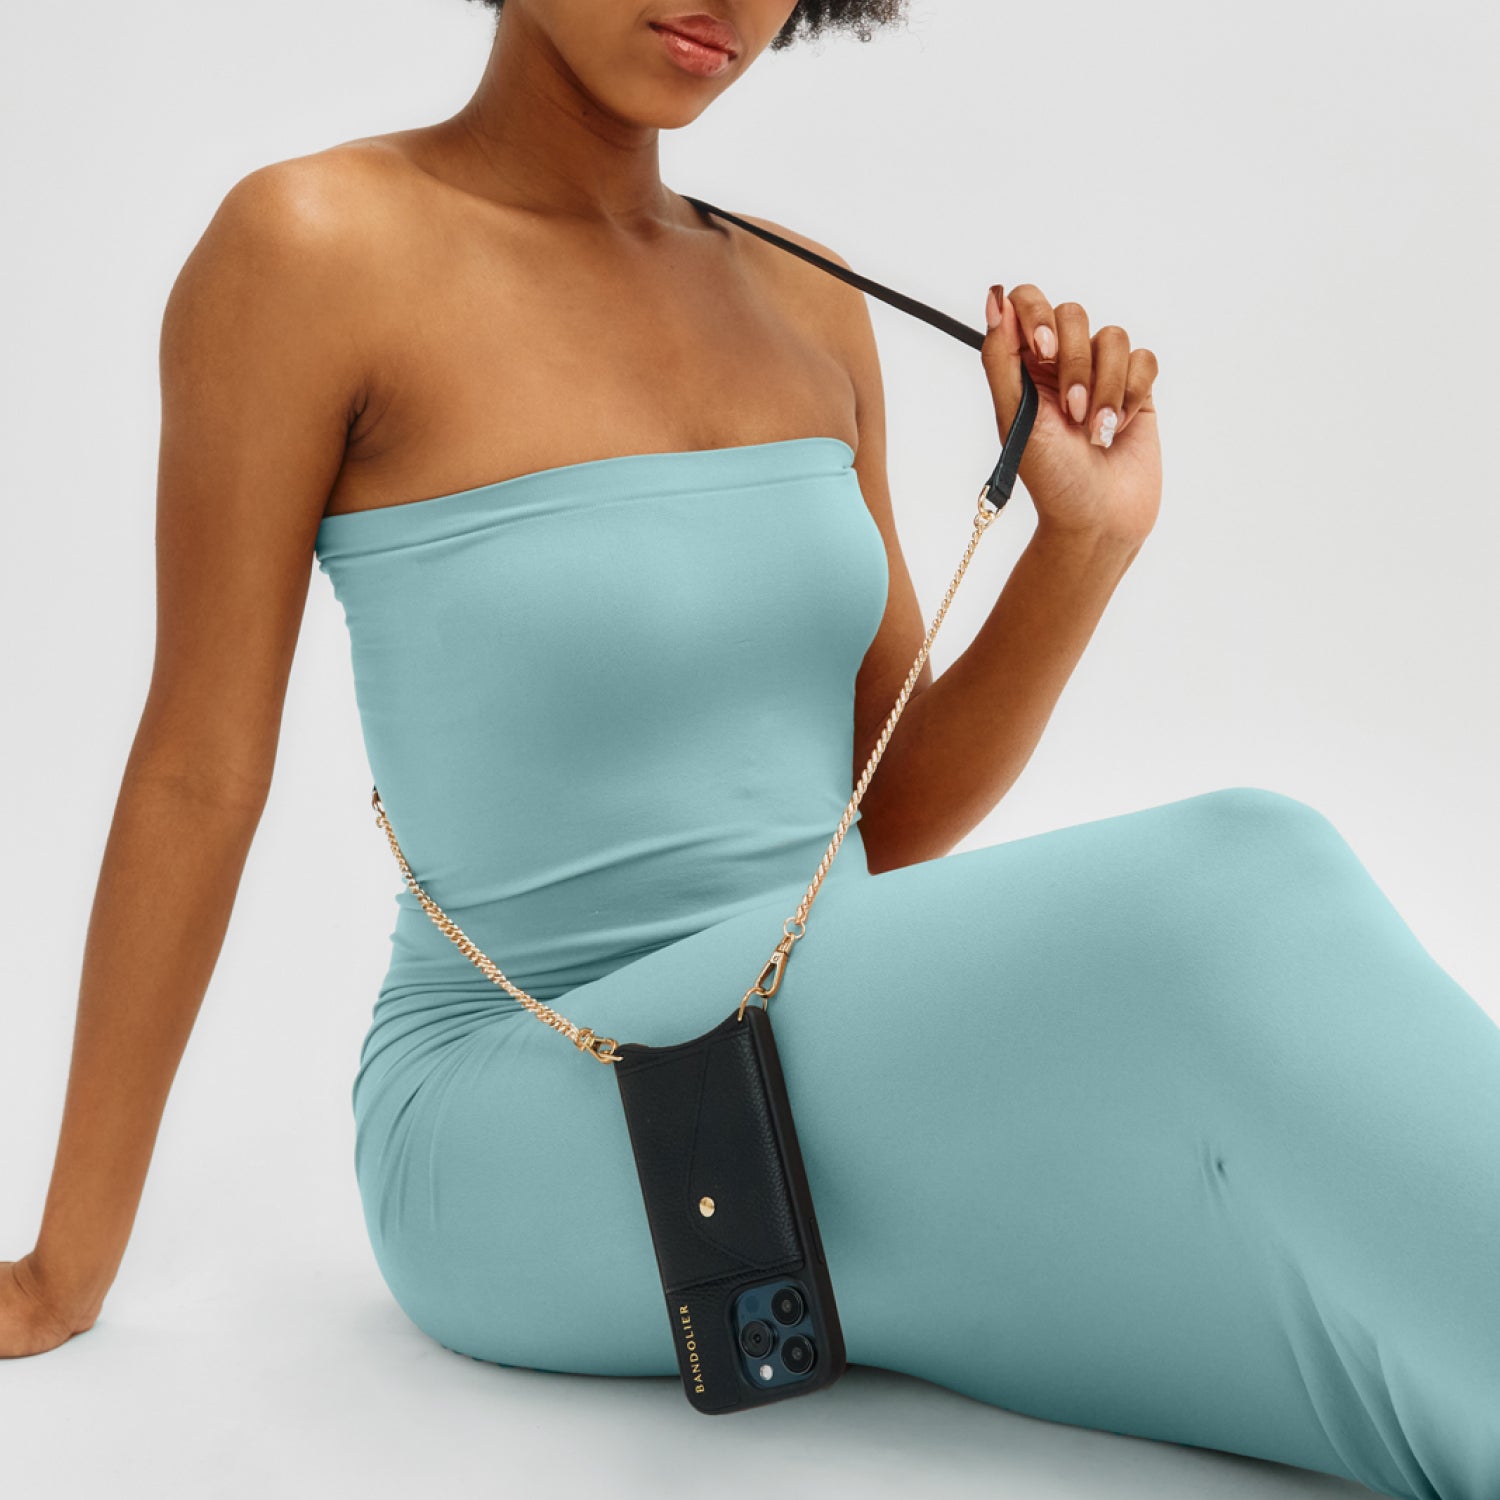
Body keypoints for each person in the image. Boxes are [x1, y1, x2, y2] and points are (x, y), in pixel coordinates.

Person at [3, 3, 1497, 1496]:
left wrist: (1085, 544)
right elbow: (197, 771)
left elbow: (884, 806)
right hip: (536, 1094)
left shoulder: (804, 295)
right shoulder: (311, 249)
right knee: (1242, 881)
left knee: (1324, 1335)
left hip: (816, 1067)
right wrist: (65, 1269)